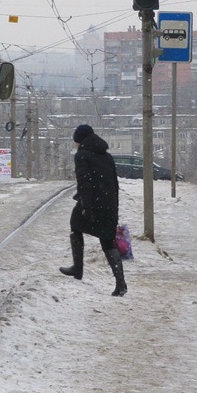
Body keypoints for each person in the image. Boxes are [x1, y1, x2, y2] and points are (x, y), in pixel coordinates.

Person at [60, 123, 127, 296]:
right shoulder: (107, 156)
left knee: (75, 224)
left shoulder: (82, 156)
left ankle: (78, 268)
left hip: (94, 204)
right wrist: (115, 207)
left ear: (80, 140)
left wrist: (85, 207)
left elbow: (85, 183)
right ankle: (121, 283)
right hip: (108, 205)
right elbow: (115, 184)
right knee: (107, 242)